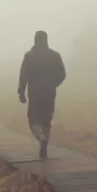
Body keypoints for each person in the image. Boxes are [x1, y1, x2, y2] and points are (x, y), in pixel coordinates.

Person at [17, 30, 67, 160]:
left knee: (33, 120)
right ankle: (45, 141)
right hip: (50, 93)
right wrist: (53, 84)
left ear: (35, 40)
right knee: (47, 120)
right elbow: (62, 74)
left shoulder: (29, 56)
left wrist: (21, 91)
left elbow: (23, 75)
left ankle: (41, 137)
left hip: (35, 93)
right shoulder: (55, 56)